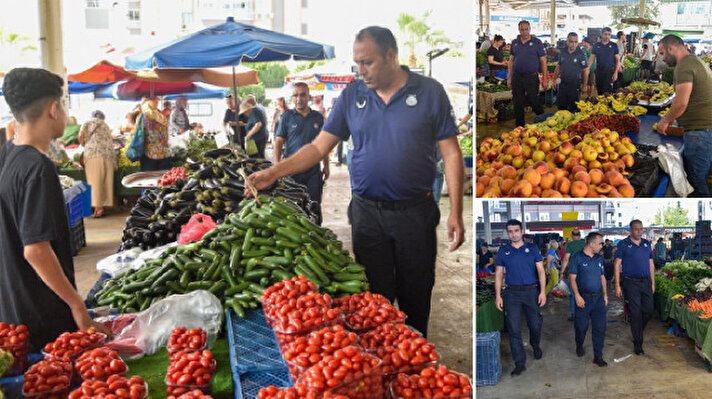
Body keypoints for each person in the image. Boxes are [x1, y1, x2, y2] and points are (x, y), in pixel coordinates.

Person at [247, 26, 465, 337]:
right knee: (373, 300)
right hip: (367, 215)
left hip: (415, 214)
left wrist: (456, 210)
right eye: (356, 63)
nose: (360, 70)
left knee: (415, 295)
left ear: (391, 56)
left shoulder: (430, 92)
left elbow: (452, 154)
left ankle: (416, 367)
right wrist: (273, 171)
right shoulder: (353, 96)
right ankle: (383, 365)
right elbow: (318, 147)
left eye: (367, 62)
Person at [0, 68, 110, 351]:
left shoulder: (7, 155)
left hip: (13, 309)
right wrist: (76, 305)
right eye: (63, 103)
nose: (63, 110)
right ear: (52, 108)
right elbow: (35, 249)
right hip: (41, 314)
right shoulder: (38, 168)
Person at [656, 34, 712, 197]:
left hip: (700, 132)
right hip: (704, 130)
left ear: (671, 48)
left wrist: (665, 121)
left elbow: (681, 102)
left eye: (662, 53)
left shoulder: (684, 66)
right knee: (697, 178)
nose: (663, 59)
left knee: (695, 181)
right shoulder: (695, 61)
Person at [494, 219, 546, 377]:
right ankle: (519, 363)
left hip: (531, 292)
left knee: (535, 324)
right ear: (507, 233)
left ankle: (535, 344)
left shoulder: (533, 248)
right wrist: (498, 295)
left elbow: (541, 271)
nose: (513, 234)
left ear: (521, 231)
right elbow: (498, 275)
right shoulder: (504, 251)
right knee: (514, 329)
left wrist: (542, 292)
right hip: (512, 294)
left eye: (516, 230)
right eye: (510, 231)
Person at [274, 82, 329, 224]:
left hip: (313, 172)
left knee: (314, 205)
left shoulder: (317, 117)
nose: (299, 99)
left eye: (302, 95)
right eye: (295, 95)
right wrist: (276, 167)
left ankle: (316, 234)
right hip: (291, 172)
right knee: (292, 207)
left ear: (309, 97)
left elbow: (324, 143)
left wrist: (327, 165)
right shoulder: (286, 116)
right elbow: (279, 142)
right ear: (292, 98)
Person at [614, 219, 655, 355]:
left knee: (649, 310)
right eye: (636, 229)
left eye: (641, 229)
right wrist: (617, 286)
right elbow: (617, 265)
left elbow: (651, 264)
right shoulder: (623, 244)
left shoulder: (646, 244)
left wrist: (653, 282)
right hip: (630, 283)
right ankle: (638, 344)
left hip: (645, 282)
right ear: (630, 230)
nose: (639, 231)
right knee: (635, 313)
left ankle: (638, 330)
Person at [568, 232, 608, 367]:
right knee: (581, 327)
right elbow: (572, 279)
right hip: (583, 299)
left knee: (600, 328)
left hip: (598, 299)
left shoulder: (598, 258)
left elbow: (602, 277)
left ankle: (598, 356)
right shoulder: (576, 257)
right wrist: (577, 296)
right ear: (592, 244)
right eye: (600, 243)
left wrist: (605, 295)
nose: (602, 246)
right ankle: (579, 344)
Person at [508, 20, 548, 127]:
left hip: (531, 77)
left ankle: (544, 123)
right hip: (517, 77)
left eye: (526, 29)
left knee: (534, 101)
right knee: (517, 103)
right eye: (522, 29)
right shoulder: (515, 43)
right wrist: (509, 78)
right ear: (519, 30)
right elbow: (511, 61)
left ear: (529, 29)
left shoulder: (537, 42)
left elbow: (543, 61)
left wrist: (545, 79)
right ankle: (519, 127)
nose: (524, 32)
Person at [79, 110, 115, 218]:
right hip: (108, 155)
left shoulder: (90, 121)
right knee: (105, 181)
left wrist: (84, 144)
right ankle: (102, 207)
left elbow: (81, 134)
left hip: (94, 154)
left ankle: (98, 209)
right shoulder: (106, 125)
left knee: (94, 181)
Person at [553, 32, 588, 112]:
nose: (574, 44)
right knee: (561, 106)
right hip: (563, 84)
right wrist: (554, 80)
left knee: (573, 108)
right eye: (571, 41)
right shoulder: (563, 52)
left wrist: (584, 85)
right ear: (567, 42)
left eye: (576, 42)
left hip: (575, 85)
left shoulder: (581, 54)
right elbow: (558, 66)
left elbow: (585, 70)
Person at [138, 99, 171, 171]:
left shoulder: (144, 117)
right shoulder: (162, 117)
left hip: (150, 154)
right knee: (163, 178)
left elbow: (137, 133)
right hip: (165, 153)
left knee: (149, 178)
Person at [561, 229, 586, 322]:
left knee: (573, 294)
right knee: (583, 293)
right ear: (579, 236)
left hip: (573, 274)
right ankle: (584, 313)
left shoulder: (570, 245)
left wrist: (562, 272)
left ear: (572, 236)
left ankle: (574, 315)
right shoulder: (584, 245)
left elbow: (566, 259)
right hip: (584, 273)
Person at [589, 27, 620, 96]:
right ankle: (601, 106)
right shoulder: (596, 45)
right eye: (605, 34)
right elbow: (591, 58)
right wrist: (587, 69)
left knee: (607, 93)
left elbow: (618, 60)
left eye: (609, 34)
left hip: (609, 72)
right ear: (601, 34)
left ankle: (607, 105)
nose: (607, 36)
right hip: (599, 71)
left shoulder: (614, 45)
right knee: (599, 91)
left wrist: (616, 73)